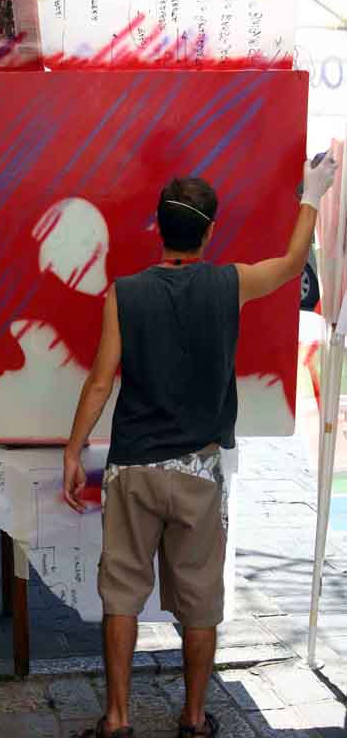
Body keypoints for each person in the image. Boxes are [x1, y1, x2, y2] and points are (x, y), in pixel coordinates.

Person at [63, 152, 339, 738]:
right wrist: (311, 193)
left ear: (158, 227)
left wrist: (73, 450)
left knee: (122, 596)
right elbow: (293, 264)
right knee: (200, 600)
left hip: (133, 468)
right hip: (198, 470)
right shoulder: (229, 284)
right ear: (209, 231)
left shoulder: (124, 294)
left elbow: (100, 382)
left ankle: (116, 719)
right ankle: (193, 718)